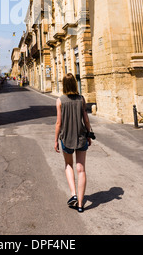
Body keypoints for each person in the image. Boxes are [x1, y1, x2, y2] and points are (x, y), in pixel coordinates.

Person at [54, 73, 92, 213]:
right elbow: (86, 120)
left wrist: (56, 140)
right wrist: (89, 134)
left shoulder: (60, 101)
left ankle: (73, 194)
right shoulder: (81, 99)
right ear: (75, 84)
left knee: (68, 164)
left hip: (66, 138)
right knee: (81, 169)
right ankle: (81, 204)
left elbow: (59, 122)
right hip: (81, 137)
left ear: (64, 85)